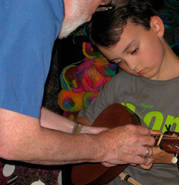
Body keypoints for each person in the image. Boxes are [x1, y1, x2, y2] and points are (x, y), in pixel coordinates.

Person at [76, 0, 179, 185]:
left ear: (156, 27)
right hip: (108, 184)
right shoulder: (122, 83)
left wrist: (167, 155)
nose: (132, 66)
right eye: (119, 61)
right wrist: (104, 143)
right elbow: (84, 122)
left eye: (133, 50)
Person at [0, 0, 155, 167]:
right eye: (103, 3)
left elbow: (12, 112)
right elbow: (15, 140)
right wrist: (108, 147)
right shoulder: (36, 7)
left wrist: (87, 132)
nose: (89, 18)